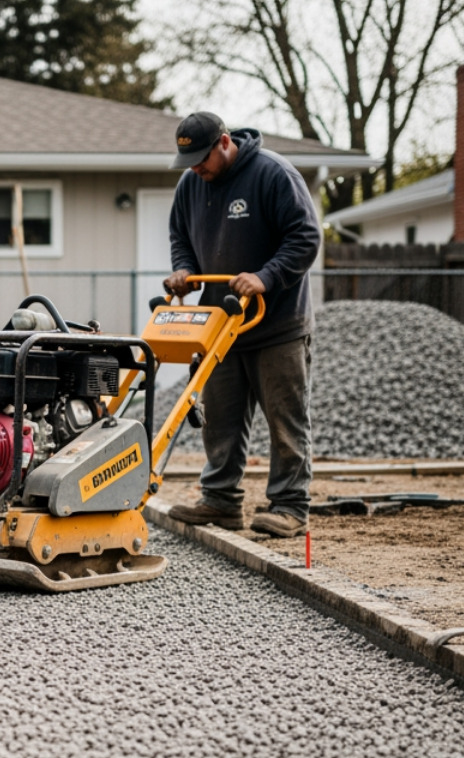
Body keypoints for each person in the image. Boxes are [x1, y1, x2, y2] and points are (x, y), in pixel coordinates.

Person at [162, 111, 321, 539]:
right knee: (221, 419)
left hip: (277, 324)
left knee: (285, 419)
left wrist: (265, 277)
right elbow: (180, 236)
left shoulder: (273, 174)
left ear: (225, 143)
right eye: (189, 161)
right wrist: (183, 269)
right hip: (220, 324)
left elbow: (306, 237)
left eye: (201, 158)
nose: (195, 168)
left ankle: (289, 506)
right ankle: (220, 501)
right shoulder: (191, 184)